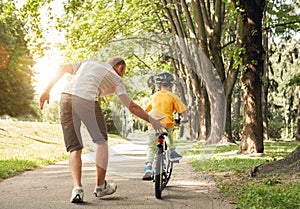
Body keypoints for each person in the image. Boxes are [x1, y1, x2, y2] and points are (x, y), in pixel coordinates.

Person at [39, 57, 164, 203]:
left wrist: (46, 90)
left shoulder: (87, 63)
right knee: (102, 142)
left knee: (75, 147)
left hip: (66, 98)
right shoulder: (117, 79)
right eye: (124, 71)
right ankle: (100, 186)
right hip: (87, 100)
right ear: (119, 68)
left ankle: (77, 189)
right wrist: (152, 120)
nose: (123, 74)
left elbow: (61, 67)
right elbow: (132, 106)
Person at [142, 72, 188, 180]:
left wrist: (147, 118)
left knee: (151, 147)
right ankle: (172, 152)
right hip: (167, 123)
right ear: (171, 85)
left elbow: (145, 110)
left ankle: (148, 167)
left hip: (154, 124)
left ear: (158, 86)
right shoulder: (173, 96)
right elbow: (182, 109)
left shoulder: (153, 96)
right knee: (168, 135)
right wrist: (184, 119)